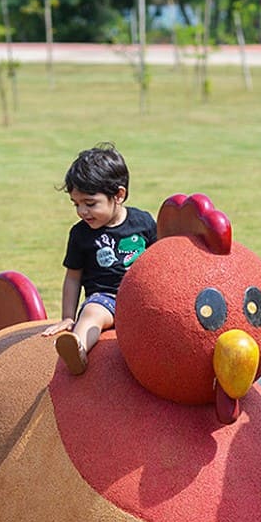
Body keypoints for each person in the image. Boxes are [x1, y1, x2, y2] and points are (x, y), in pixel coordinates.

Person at [41, 142, 157, 375]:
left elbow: (159, 262)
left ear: (119, 195)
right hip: (106, 300)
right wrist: (67, 317)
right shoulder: (80, 234)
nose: (82, 212)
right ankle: (78, 350)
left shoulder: (143, 223)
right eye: (76, 204)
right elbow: (73, 277)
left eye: (90, 204)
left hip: (142, 297)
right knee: (91, 314)